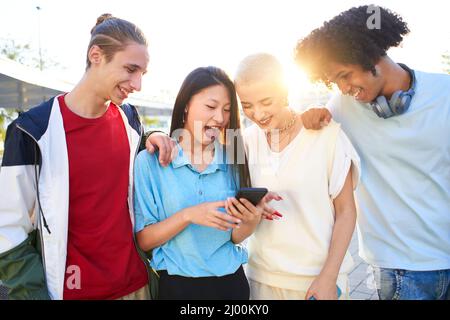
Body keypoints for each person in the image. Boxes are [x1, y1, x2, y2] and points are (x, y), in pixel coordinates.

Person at [0, 14, 174, 300]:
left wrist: (151, 135)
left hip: (138, 287)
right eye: (130, 69)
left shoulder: (131, 122)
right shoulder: (31, 131)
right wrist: (34, 295)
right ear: (96, 55)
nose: (137, 84)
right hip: (73, 292)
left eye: (142, 73)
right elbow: (6, 229)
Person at [295, 5, 450, 300]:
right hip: (399, 270)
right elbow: (293, 133)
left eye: (345, 75)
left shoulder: (445, 93)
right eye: (334, 82)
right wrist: (308, 116)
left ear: (372, 56)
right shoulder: (341, 107)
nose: (342, 88)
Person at [133, 66, 279, 300]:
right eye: (211, 107)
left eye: (227, 110)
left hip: (232, 284)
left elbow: (234, 237)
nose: (220, 118)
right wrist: (189, 215)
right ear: (186, 105)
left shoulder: (234, 160)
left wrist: (251, 220)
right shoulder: (151, 161)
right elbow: (145, 240)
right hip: (177, 288)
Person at [233, 53, 360, 300]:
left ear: (284, 91)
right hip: (260, 279)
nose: (257, 114)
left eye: (266, 101)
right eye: (246, 105)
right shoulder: (244, 143)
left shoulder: (328, 136)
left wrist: (328, 277)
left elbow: (346, 211)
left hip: (317, 282)